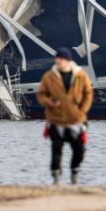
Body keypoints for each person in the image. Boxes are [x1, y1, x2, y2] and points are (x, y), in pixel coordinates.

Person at [37, 47, 93, 185]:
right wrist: (48, 102)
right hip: (56, 119)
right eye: (56, 58)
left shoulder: (80, 75)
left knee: (79, 149)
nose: (57, 61)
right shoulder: (49, 77)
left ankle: (75, 170)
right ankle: (56, 175)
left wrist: (82, 110)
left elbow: (88, 93)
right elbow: (41, 94)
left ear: (68, 60)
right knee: (56, 149)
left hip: (76, 119)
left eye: (60, 59)